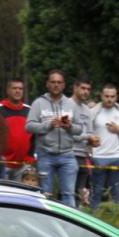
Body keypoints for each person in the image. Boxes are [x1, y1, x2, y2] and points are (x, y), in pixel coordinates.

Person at [26, 70, 85, 206]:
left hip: (67, 154)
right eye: (53, 82)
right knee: (45, 194)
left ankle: (69, 226)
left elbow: (80, 129)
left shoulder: (71, 104)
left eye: (59, 82)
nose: (56, 85)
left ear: (64, 85)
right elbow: (29, 126)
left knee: (69, 194)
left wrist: (70, 127)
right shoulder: (38, 103)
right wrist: (48, 125)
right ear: (47, 84)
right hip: (45, 154)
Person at [89, 84, 119, 209]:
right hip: (98, 156)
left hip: (117, 156)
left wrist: (118, 130)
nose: (109, 99)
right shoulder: (93, 112)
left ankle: (116, 219)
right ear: (101, 96)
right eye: (106, 96)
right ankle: (94, 218)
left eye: (112, 96)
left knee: (116, 191)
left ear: (116, 97)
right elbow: (86, 133)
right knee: (97, 191)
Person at [68, 78, 95, 206]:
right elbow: (65, 132)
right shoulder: (66, 105)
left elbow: (89, 131)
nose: (86, 92)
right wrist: (87, 138)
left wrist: (93, 141)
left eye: (88, 89)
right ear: (75, 88)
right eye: (83, 88)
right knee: (68, 191)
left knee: (80, 192)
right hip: (68, 153)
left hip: (83, 155)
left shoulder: (87, 110)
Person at [0, 78, 33, 177]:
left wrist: (30, 156)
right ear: (8, 90)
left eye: (20, 89)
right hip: (2, 164)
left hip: (24, 165)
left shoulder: (29, 110)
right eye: (14, 88)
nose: (18, 91)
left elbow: (35, 136)